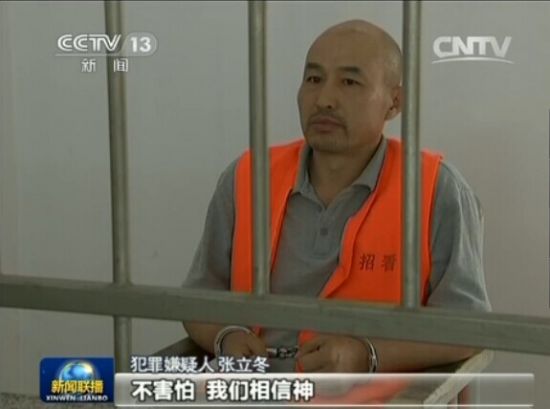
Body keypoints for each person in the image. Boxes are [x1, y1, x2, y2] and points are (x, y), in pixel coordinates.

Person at [182, 19, 491, 373]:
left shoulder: (436, 189)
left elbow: (468, 326)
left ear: (394, 103)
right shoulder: (248, 177)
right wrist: (226, 337)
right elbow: (197, 298)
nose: (324, 100)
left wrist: (366, 356)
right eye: (314, 79)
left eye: (349, 82)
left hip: (376, 394)